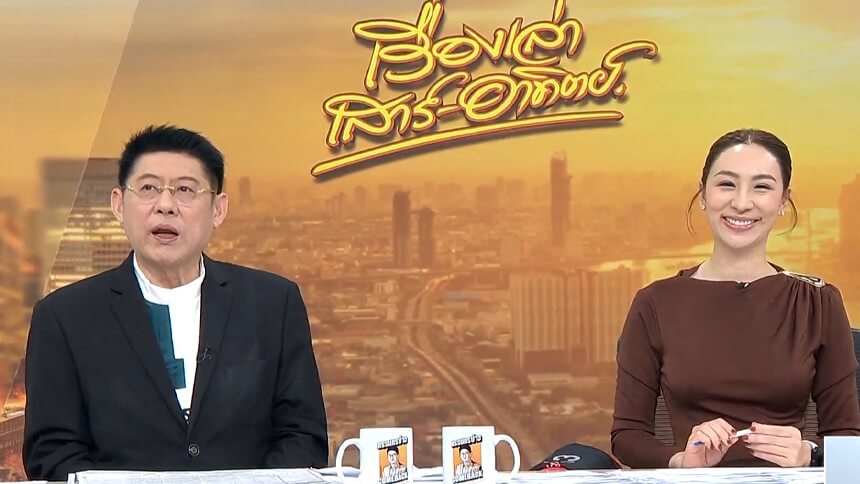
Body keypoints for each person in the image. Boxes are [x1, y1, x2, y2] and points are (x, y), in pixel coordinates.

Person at [23, 125, 328, 480]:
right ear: (118, 205)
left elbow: (302, 436)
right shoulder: (63, 317)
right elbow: (53, 452)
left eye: (185, 190)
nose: (165, 206)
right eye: (148, 189)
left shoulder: (273, 304)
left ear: (218, 209)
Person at [611, 128, 860, 469]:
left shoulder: (818, 302)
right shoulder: (655, 303)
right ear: (703, 194)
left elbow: (852, 451)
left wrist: (809, 454)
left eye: (762, 187)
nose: (742, 203)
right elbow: (626, 437)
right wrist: (682, 461)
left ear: (783, 201)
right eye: (727, 184)